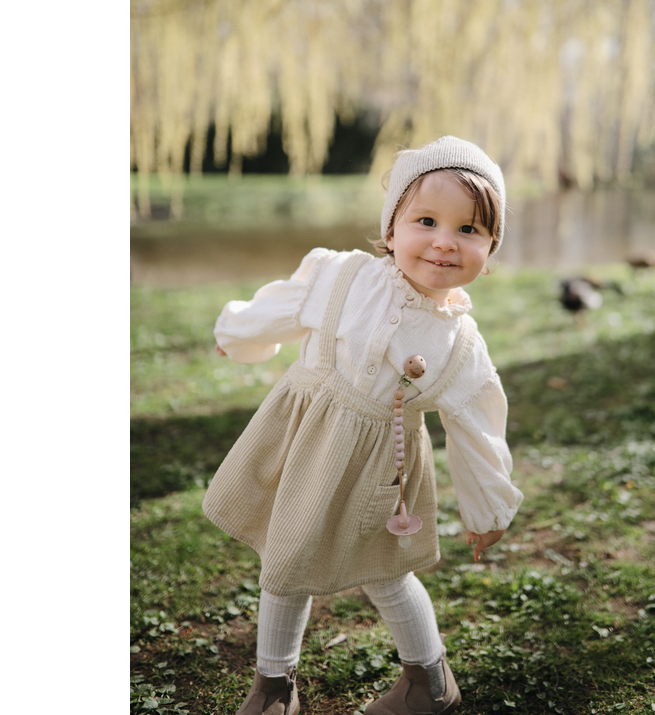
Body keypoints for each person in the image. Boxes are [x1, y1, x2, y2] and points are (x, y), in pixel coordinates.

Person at [203, 136, 524, 715]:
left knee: (388, 574)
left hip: (382, 472)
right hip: (304, 446)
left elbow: (478, 429)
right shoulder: (342, 276)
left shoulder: (460, 344)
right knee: (286, 561)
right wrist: (239, 334)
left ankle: (429, 681)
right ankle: (273, 686)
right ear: (392, 229)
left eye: (469, 229)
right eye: (426, 221)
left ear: (491, 245)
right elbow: (282, 307)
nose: (444, 241)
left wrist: (488, 511)